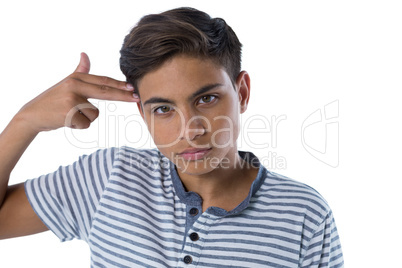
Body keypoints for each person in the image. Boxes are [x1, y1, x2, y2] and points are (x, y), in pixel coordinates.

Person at [0, 7, 344, 268]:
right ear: (143, 114)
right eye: (163, 109)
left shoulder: (304, 215)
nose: (190, 130)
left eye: (206, 99)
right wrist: (24, 122)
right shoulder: (110, 177)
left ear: (241, 92)